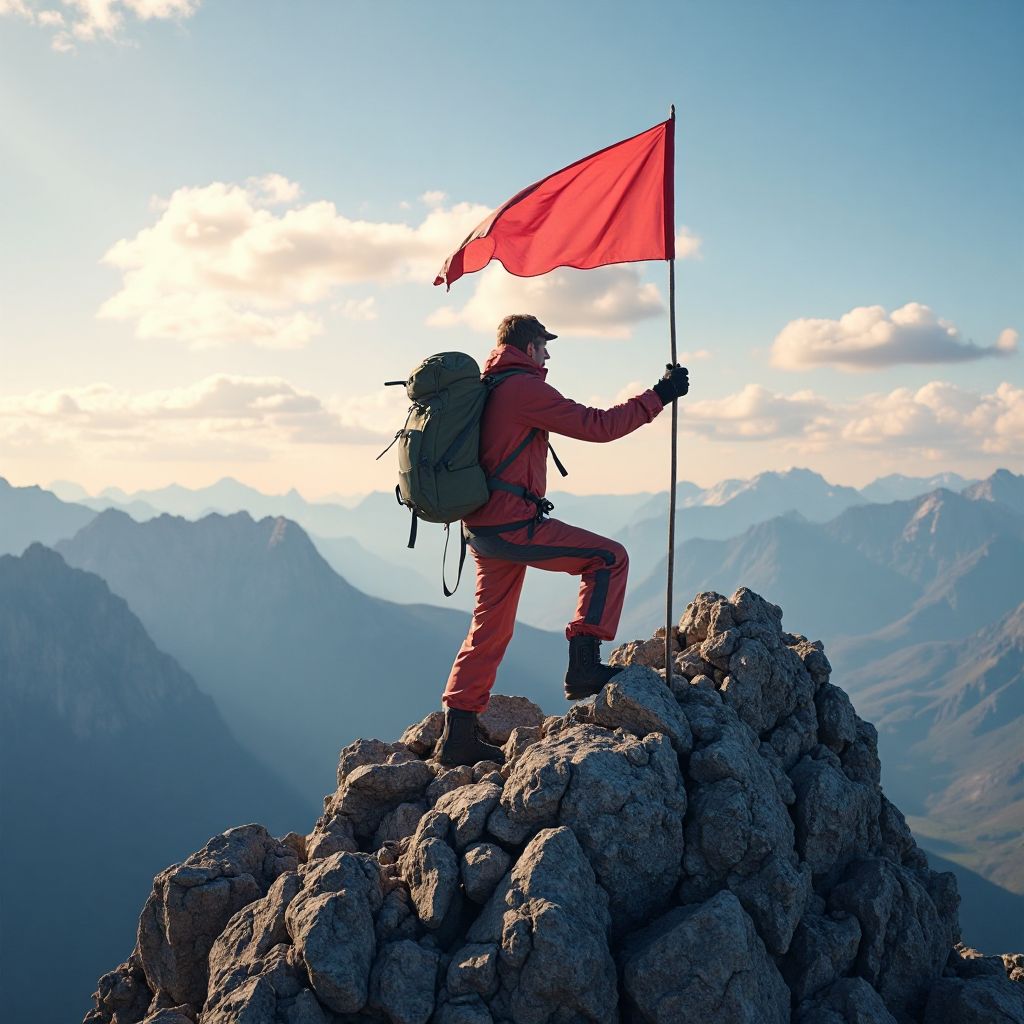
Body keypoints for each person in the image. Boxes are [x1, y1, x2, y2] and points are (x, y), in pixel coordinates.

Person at [437, 313, 690, 766]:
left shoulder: (488, 386)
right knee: (608, 558)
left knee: (489, 626)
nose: (549, 354)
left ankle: (457, 733)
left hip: (480, 528)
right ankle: (584, 667)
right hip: (514, 525)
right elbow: (598, 426)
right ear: (529, 347)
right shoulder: (523, 389)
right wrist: (660, 395)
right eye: (545, 345)